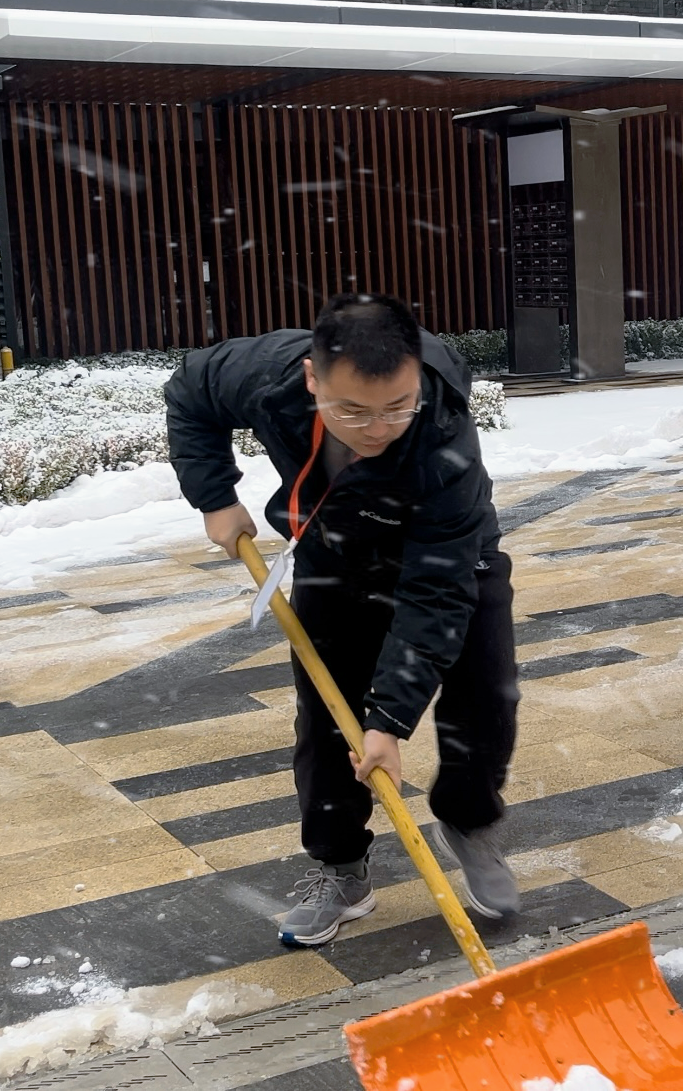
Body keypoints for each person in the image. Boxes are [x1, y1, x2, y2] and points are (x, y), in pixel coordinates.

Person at [164, 292, 521, 947]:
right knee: (328, 726)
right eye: (351, 410)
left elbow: (435, 592)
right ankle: (341, 870)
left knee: (485, 700)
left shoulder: (444, 439)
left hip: (452, 557)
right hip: (334, 552)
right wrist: (214, 497)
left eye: (395, 408)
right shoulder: (267, 374)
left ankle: (470, 824)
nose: (376, 428)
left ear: (417, 377)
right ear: (311, 379)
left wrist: (388, 721)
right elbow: (190, 389)